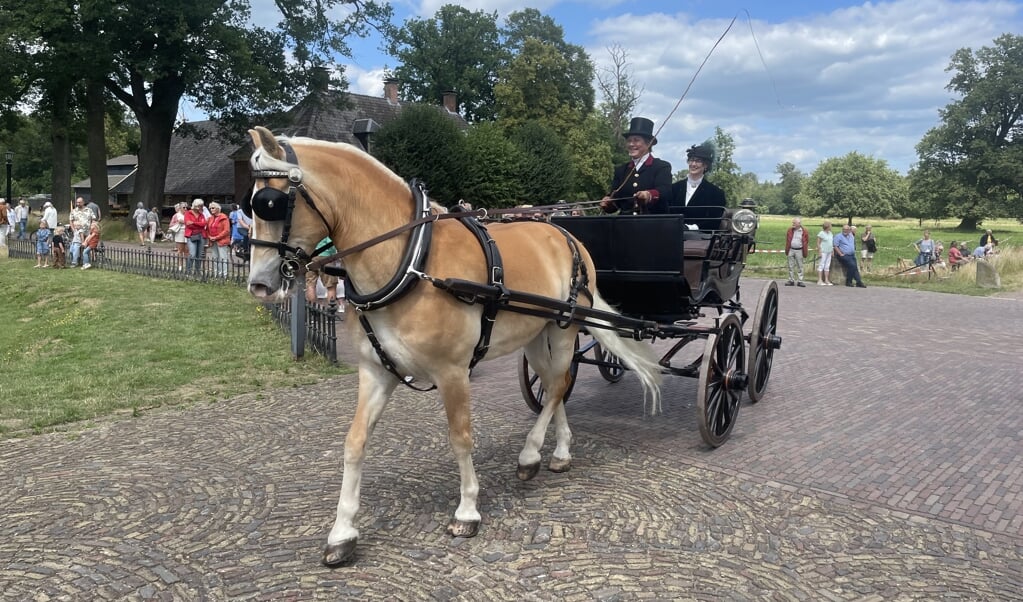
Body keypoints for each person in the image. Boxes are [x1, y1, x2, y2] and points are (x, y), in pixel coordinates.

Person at [600, 117, 672, 215]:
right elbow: (615, 203)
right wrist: (608, 203)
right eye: (629, 141)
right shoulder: (621, 170)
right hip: (625, 225)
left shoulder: (661, 167)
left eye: (636, 140)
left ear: (648, 143)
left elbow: (665, 191)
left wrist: (649, 194)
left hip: (653, 225)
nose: (631, 144)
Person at [670, 142, 727, 231]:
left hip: (701, 239)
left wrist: (690, 228)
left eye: (698, 161)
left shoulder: (716, 193)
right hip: (672, 235)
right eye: (691, 160)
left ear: (705, 165)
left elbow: (714, 221)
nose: (693, 164)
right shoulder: (674, 188)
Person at [206, 202, 231, 278]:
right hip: (213, 241)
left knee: (223, 258)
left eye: (212, 208)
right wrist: (209, 236)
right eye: (210, 208)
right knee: (215, 257)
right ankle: (216, 273)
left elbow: (226, 230)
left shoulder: (224, 218)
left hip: (221, 241)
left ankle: (224, 274)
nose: (211, 209)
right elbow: (207, 229)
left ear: (218, 209)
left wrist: (216, 237)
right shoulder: (210, 218)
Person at [184, 198, 208, 275]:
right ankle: (188, 271)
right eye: (200, 206)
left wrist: (194, 223)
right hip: (191, 235)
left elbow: (204, 224)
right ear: (195, 206)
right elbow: (188, 225)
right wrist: (198, 224)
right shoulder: (188, 213)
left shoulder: (202, 215)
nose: (201, 208)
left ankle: (197, 271)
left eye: (202, 206)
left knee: (199, 255)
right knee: (192, 254)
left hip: (201, 235)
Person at [68, 198, 94, 266]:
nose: (78, 204)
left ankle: (86, 262)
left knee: (86, 247)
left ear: (83, 202)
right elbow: (71, 220)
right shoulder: (74, 211)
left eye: (79, 202)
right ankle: (77, 261)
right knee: (76, 247)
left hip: (87, 232)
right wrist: (73, 229)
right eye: (77, 202)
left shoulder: (89, 210)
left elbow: (93, 219)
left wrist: (92, 228)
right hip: (77, 232)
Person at [784, 217, 809, 286]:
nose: (793, 224)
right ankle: (791, 280)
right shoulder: (790, 230)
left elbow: (806, 241)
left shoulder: (804, 231)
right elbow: (787, 240)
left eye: (794, 223)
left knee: (800, 266)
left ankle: (800, 281)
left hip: (799, 250)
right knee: (790, 266)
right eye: (793, 222)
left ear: (799, 223)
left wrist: (805, 249)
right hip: (791, 249)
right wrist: (787, 249)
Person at [168, 202, 189, 270]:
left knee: (187, 250)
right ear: (180, 208)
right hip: (180, 233)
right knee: (180, 250)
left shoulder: (189, 214)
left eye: (186, 207)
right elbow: (171, 225)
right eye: (184, 207)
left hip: (188, 233)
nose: (185, 209)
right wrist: (178, 222)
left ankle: (187, 266)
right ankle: (180, 266)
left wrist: (185, 222)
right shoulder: (176, 215)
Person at [816, 221, 834, 285]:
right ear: (827, 227)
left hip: (829, 251)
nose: (831, 227)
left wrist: (832, 251)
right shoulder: (821, 233)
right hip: (823, 251)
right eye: (830, 226)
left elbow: (831, 243)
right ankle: (820, 280)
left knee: (827, 266)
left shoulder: (830, 233)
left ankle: (826, 280)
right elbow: (818, 243)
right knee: (821, 265)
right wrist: (819, 251)